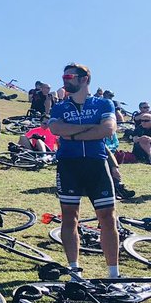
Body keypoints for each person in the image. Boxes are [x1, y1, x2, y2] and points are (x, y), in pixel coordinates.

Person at [49, 63, 120, 278]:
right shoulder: (59, 107)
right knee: (69, 217)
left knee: (107, 217)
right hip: (69, 164)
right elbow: (56, 129)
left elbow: (108, 130)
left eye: (69, 76)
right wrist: (91, 130)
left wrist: (71, 134)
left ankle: (113, 273)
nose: (64, 80)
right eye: (63, 76)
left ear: (84, 79)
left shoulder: (103, 103)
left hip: (96, 164)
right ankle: (74, 270)